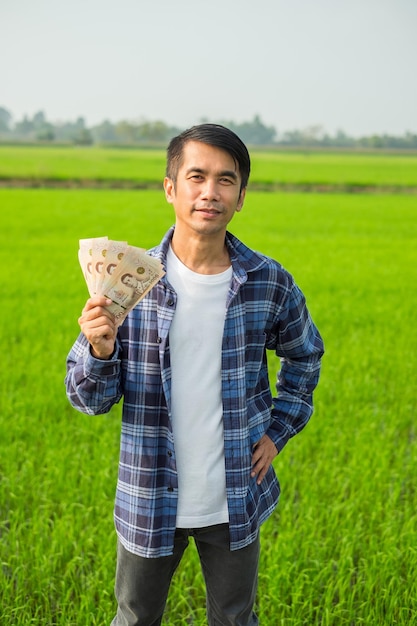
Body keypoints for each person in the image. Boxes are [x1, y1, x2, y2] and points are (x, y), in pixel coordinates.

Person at [65, 123, 324, 625]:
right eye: (196, 176)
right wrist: (100, 350)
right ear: (170, 188)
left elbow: (305, 356)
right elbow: (86, 398)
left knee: (234, 618)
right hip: (148, 493)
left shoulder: (268, 281)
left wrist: (277, 432)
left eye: (225, 180)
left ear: (241, 196)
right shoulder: (127, 280)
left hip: (234, 494)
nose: (210, 192)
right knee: (135, 618)